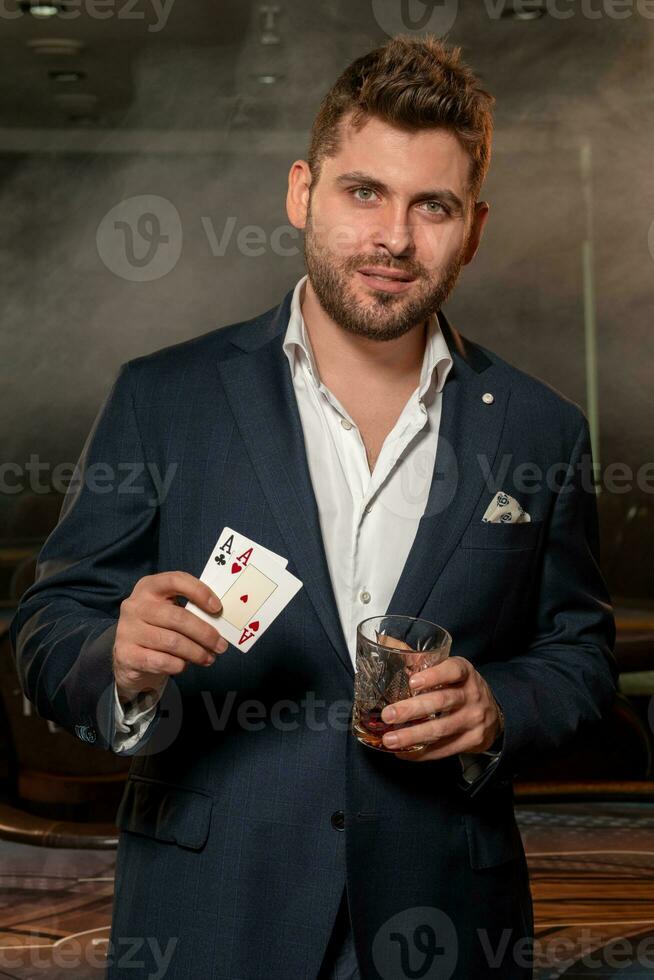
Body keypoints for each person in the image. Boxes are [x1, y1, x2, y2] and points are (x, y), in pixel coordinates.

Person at [11, 34, 616, 980]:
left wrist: (497, 708)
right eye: (363, 192)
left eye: (434, 206)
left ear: (476, 226)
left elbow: (580, 657)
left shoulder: (542, 429)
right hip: (213, 919)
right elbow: (49, 626)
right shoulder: (165, 397)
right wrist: (115, 661)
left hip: (445, 920)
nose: (393, 238)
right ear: (303, 192)